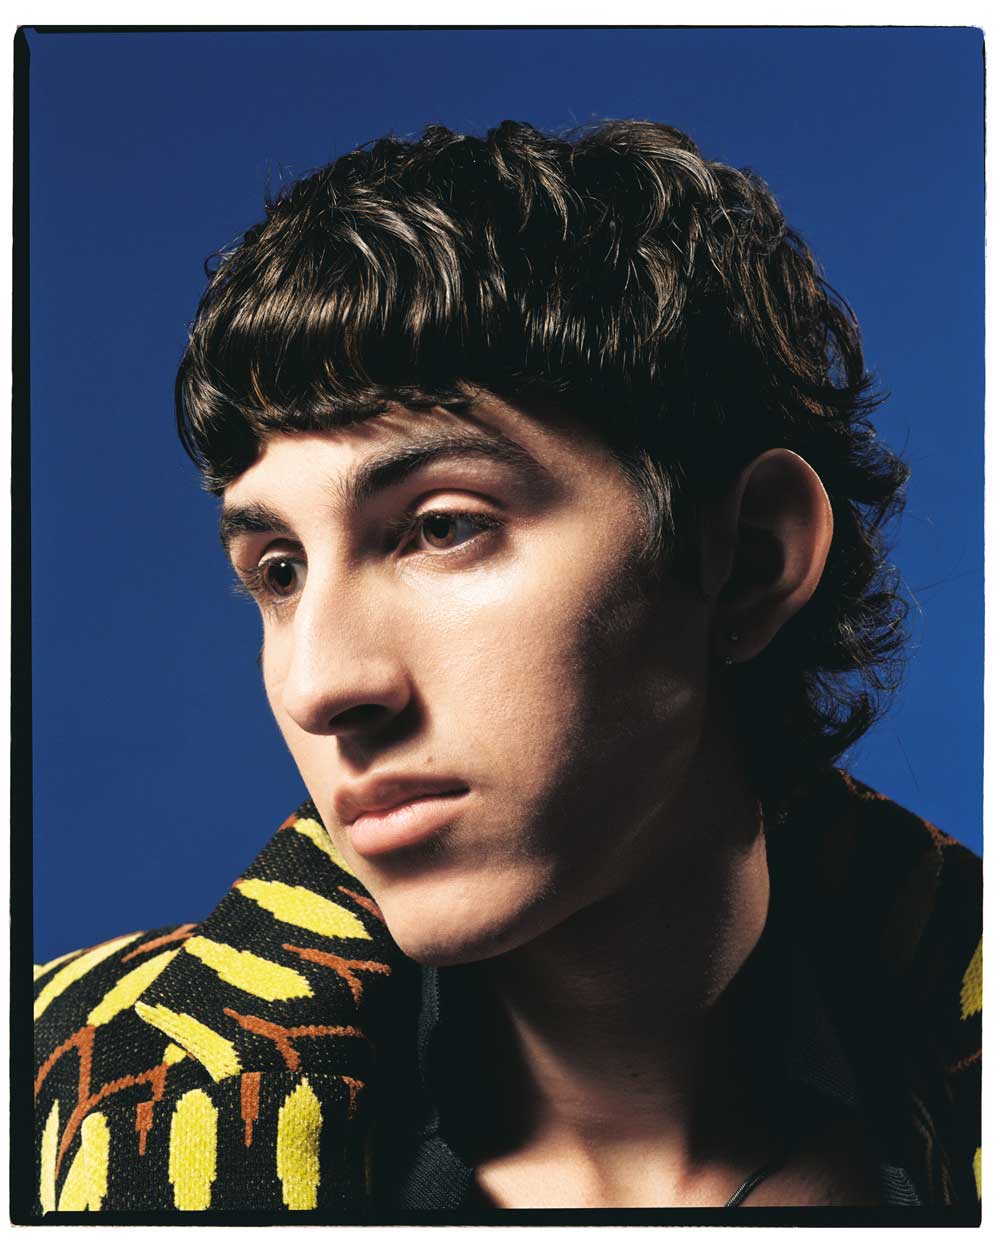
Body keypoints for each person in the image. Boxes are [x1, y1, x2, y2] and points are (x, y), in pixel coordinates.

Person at [32, 120, 981, 1216]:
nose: (320, 685)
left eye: (443, 526)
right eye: (279, 571)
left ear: (752, 559)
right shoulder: (42, 1092)